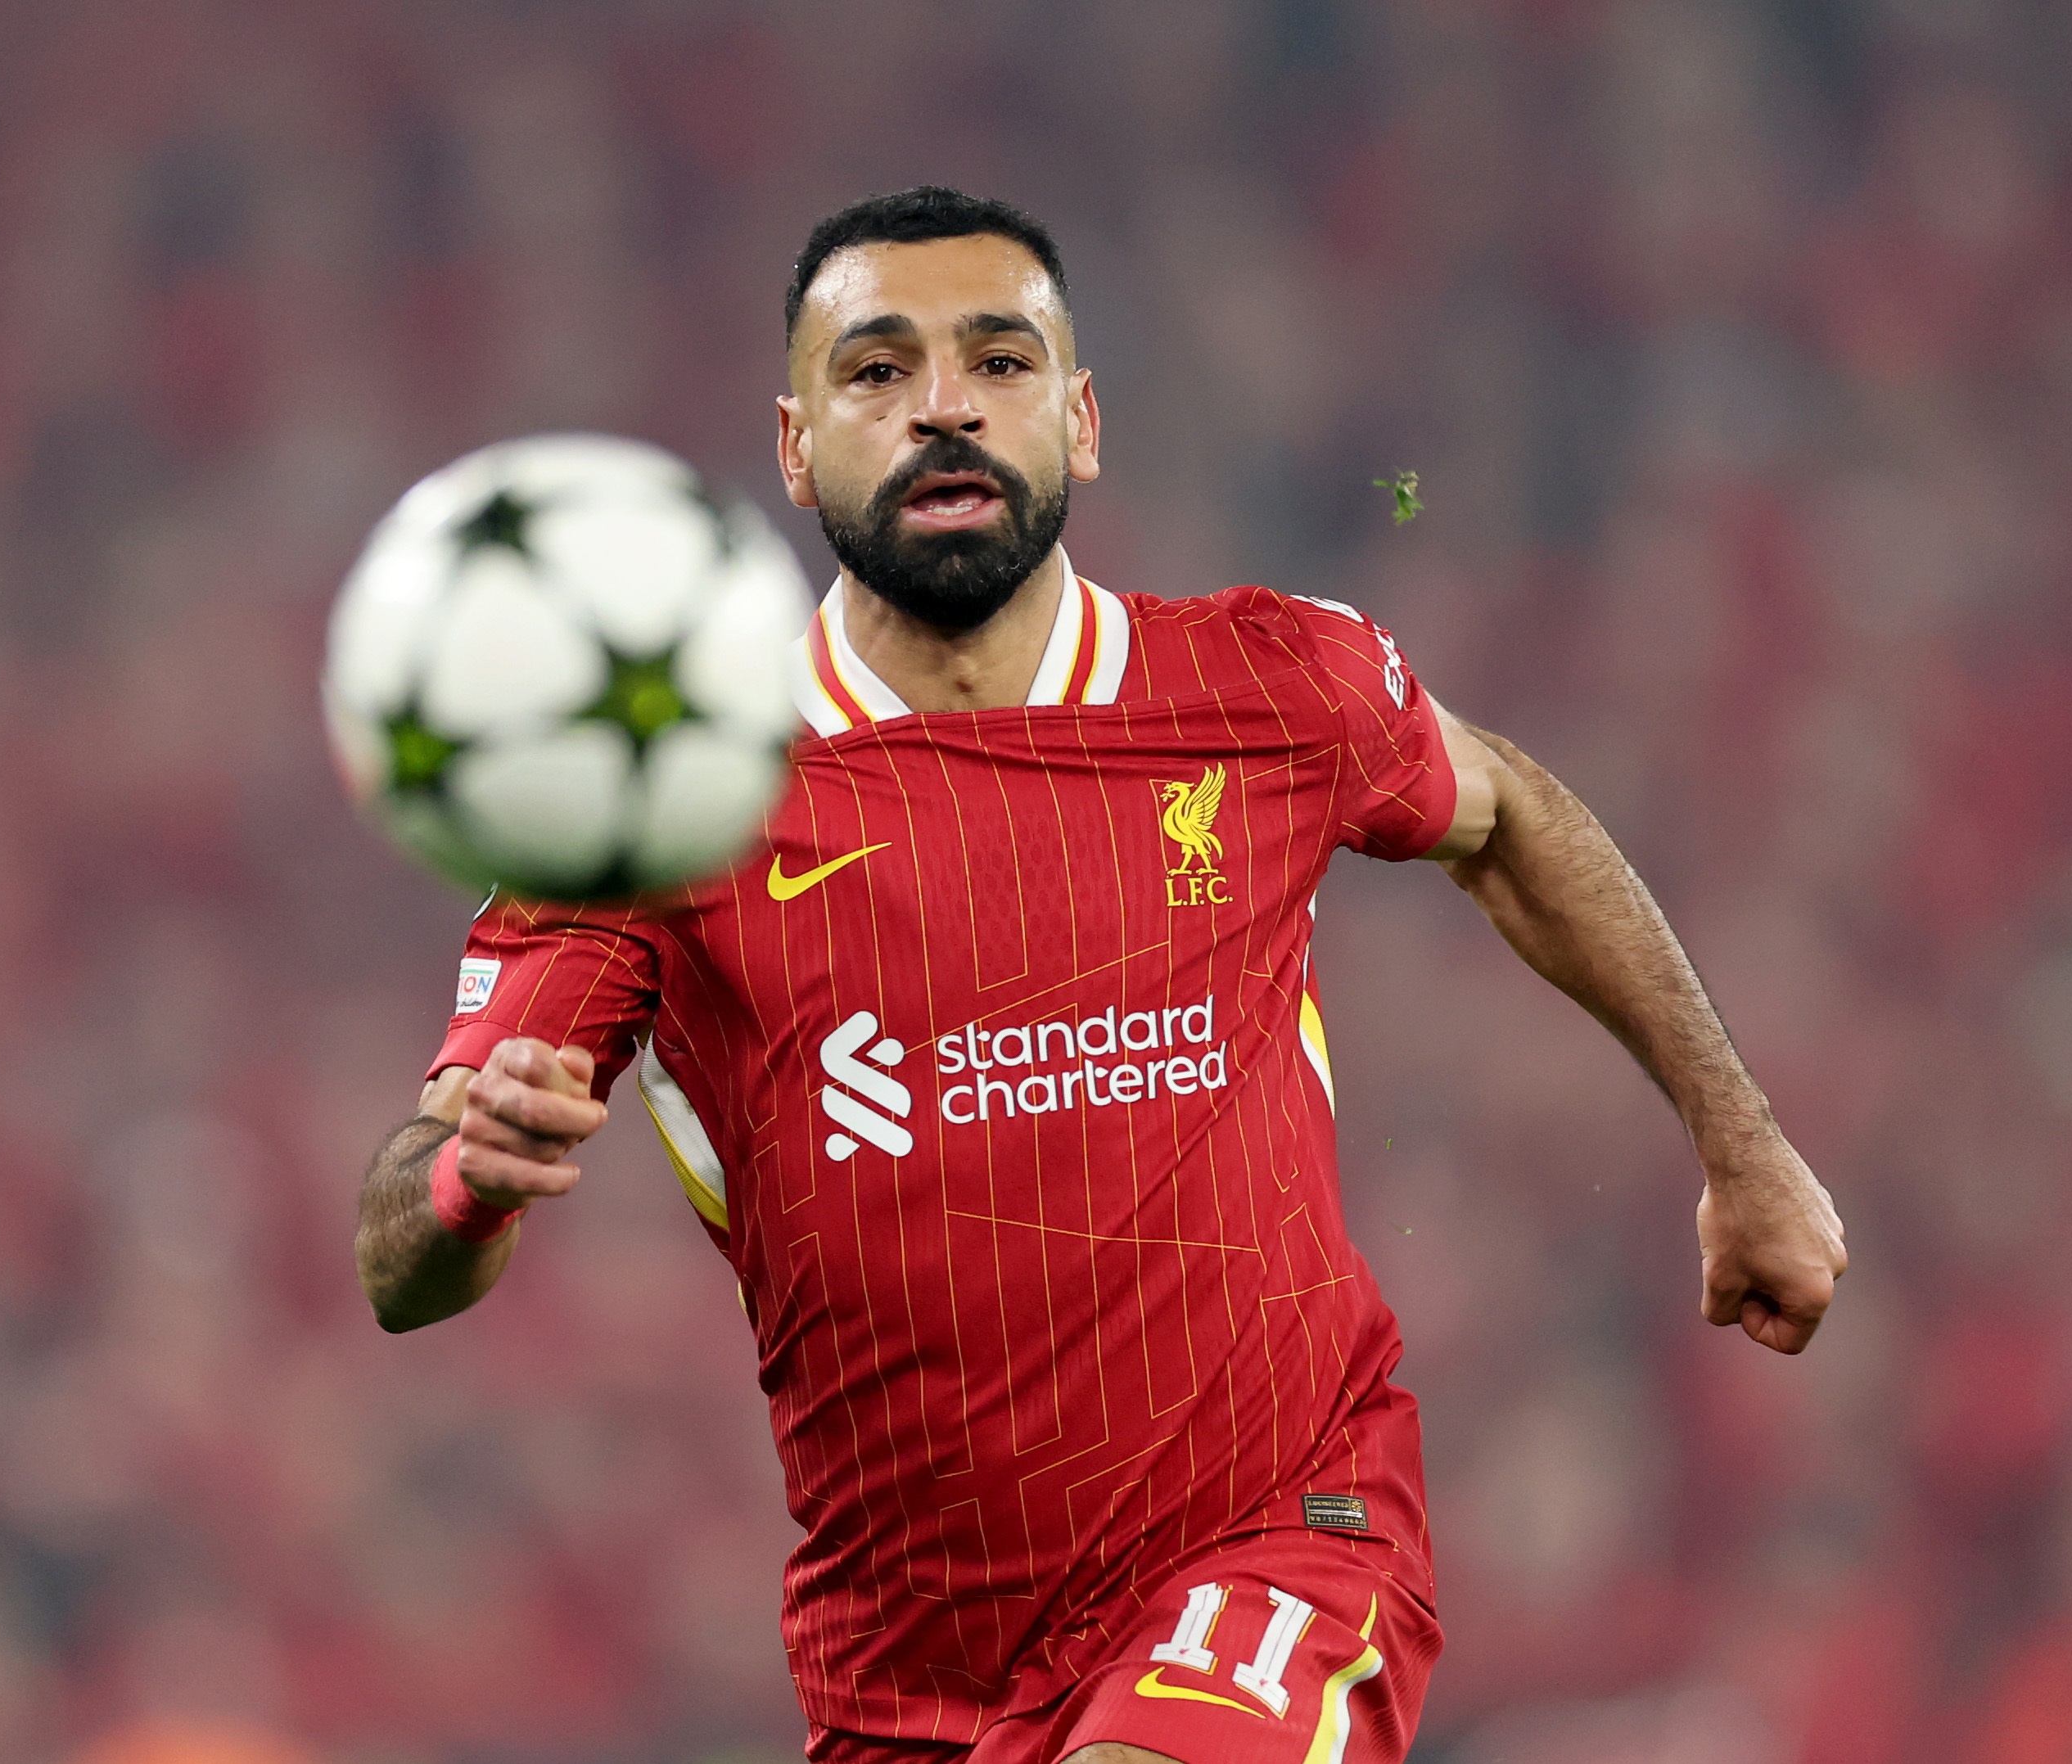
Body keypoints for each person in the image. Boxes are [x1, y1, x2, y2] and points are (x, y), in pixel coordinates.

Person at [352, 186, 1847, 1764]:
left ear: (1080, 422)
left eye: (998, 361)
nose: (942, 406)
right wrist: (469, 1177)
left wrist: (1741, 1144)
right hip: (908, 1673)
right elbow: (401, 1263)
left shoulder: (1266, 680)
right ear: (793, 446)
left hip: (1285, 1539)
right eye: (877, 372)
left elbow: (1513, 821)